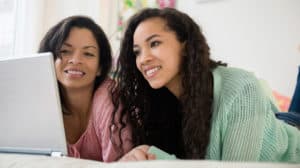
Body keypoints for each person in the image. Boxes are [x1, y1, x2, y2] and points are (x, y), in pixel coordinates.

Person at [112, 8, 300, 162]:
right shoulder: (159, 102)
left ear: (185, 46)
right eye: (137, 52)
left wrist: (153, 157)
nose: (143, 59)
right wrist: (143, 157)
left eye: (154, 43)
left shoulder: (241, 87)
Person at [38, 15, 132, 162]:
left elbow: (119, 165)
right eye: (65, 51)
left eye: (88, 53)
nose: (75, 60)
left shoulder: (109, 97)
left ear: (100, 67)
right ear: (50, 58)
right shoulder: (41, 101)